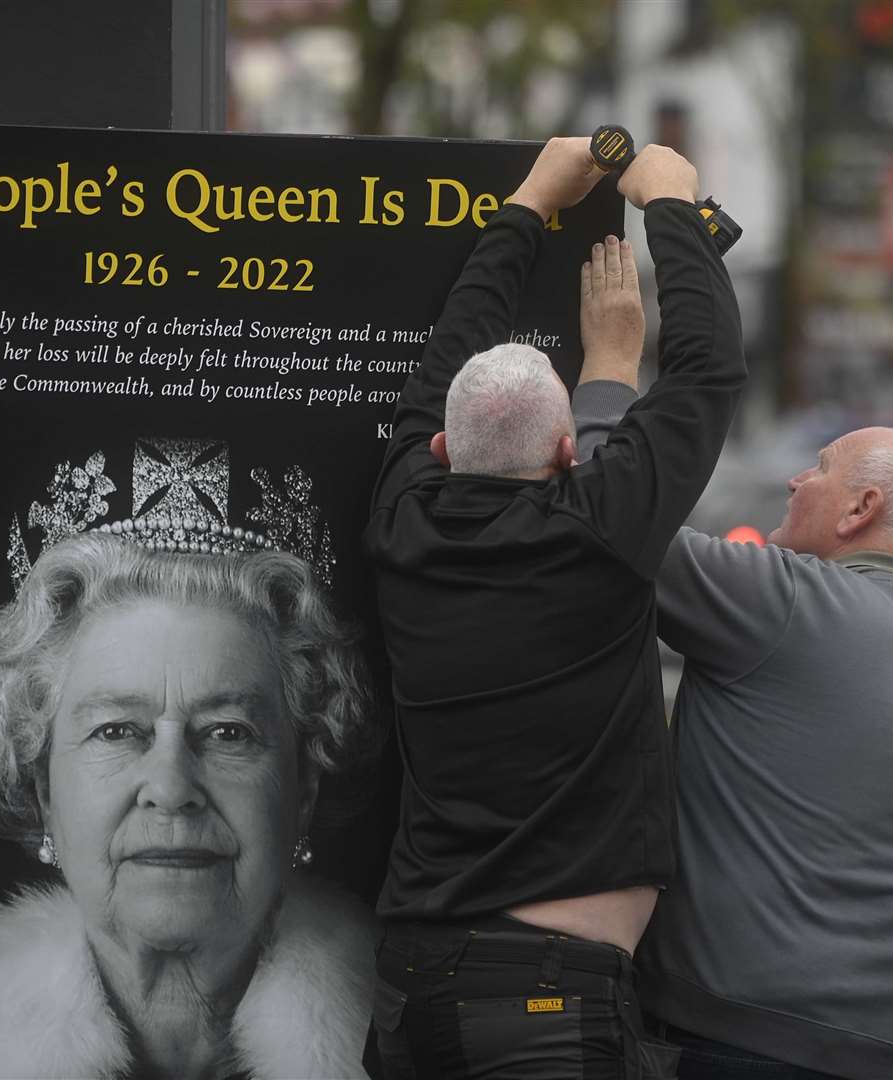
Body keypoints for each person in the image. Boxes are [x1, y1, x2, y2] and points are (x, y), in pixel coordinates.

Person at [362, 135, 746, 1079]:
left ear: (442, 450)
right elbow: (701, 374)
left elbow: (444, 363)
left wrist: (533, 199)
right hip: (542, 1003)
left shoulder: (402, 522)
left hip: (415, 974)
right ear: (572, 452)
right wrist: (669, 207)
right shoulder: (598, 531)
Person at [0, 533, 379, 1080]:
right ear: (43, 790)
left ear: (304, 788)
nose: (170, 786)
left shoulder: (431, 1054)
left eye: (227, 732)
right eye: (116, 730)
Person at [572, 379, 893, 1076]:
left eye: (822, 466)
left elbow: (609, 513)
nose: (798, 478)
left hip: (754, 1041)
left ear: (862, 509)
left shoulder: (792, 602)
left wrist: (606, 383)